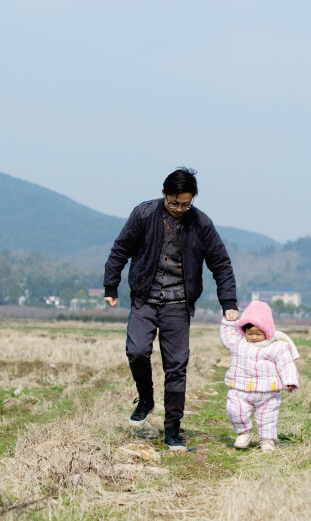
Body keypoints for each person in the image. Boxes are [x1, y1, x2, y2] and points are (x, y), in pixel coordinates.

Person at [104, 167, 238, 451]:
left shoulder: (201, 223)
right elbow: (120, 250)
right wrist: (111, 286)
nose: (179, 208)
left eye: (185, 204)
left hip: (179, 303)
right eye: (174, 202)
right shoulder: (144, 214)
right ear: (164, 193)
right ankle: (146, 398)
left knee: (176, 367)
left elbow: (221, 263)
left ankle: (172, 431)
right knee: (136, 350)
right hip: (144, 297)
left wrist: (229, 303)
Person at [219, 299, 299, 453]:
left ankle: (267, 441)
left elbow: (286, 364)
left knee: (267, 418)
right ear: (244, 331)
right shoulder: (239, 343)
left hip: (267, 392)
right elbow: (227, 337)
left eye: (258, 334)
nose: (253, 337)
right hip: (240, 389)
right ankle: (244, 433)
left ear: (267, 332)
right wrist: (229, 321)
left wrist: (290, 381)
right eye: (250, 333)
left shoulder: (276, 347)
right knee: (234, 411)